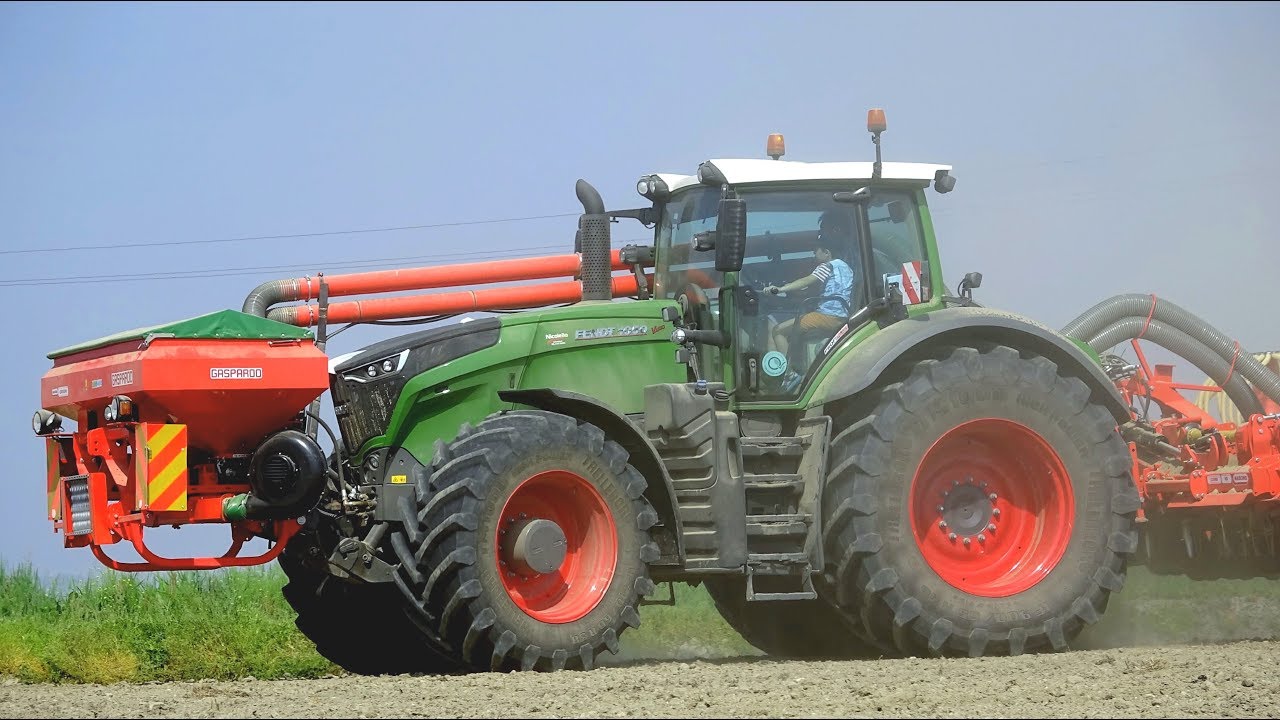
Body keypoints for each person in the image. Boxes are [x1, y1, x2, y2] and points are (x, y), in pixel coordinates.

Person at [763, 210, 856, 391]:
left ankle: (790, 375)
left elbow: (805, 281)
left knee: (778, 330)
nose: (814, 255)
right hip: (841, 315)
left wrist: (780, 289)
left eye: (816, 251)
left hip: (826, 316)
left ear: (827, 252)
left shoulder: (826, 266)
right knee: (796, 327)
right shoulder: (846, 268)